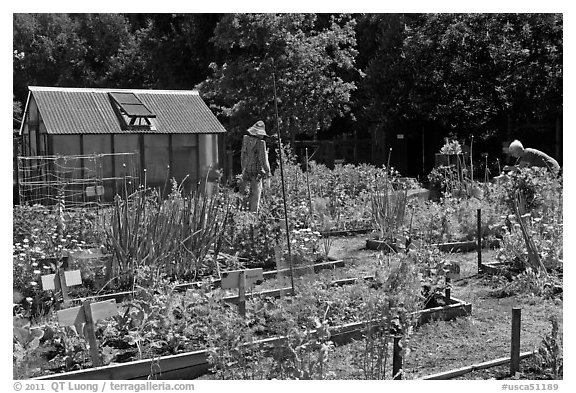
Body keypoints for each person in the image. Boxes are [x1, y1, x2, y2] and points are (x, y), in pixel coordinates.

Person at [241, 120, 272, 212]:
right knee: (255, 197)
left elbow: (243, 156)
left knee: (245, 197)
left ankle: (244, 216)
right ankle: (253, 218)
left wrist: (243, 170)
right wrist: (268, 172)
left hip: (246, 172)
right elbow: (263, 160)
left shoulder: (246, 140)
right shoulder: (260, 143)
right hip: (257, 173)